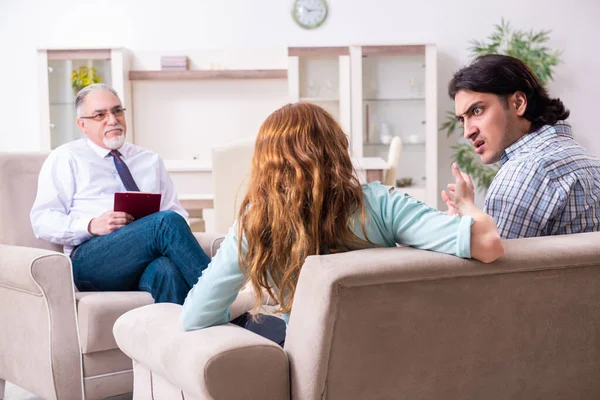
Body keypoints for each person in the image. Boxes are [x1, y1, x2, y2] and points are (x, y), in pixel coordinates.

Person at [180, 102, 504, 342]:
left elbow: (196, 316)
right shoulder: (380, 204)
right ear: (337, 149)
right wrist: (465, 205)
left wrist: (256, 295)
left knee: (256, 323)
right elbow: (488, 244)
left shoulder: (256, 224)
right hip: (398, 357)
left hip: (312, 371)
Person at [30, 83, 211, 304]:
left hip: (144, 258)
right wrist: (90, 225)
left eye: (117, 111)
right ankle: (232, 305)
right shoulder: (67, 157)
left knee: (168, 271)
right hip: (91, 259)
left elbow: (177, 215)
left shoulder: (149, 159)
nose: (112, 120)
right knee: (165, 222)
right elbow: (42, 220)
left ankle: (182, 336)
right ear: (82, 124)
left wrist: (149, 229)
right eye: (100, 115)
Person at [443, 54, 600, 239]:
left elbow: (494, 262)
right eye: (462, 119)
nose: (467, 132)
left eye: (477, 110)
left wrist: (466, 209)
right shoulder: (587, 160)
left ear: (518, 103)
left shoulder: (524, 171)